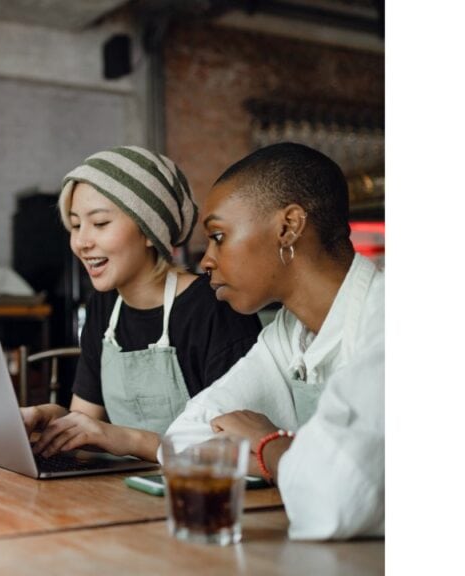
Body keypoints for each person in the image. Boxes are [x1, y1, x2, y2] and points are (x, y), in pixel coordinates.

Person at [163, 142, 384, 539]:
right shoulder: (287, 334)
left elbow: (339, 498)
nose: (205, 261)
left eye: (218, 235)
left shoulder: (387, 317)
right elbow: (182, 440)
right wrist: (304, 462)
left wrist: (269, 447)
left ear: (288, 227)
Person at [22, 145, 262, 462]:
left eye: (100, 223)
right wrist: (50, 417)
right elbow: (85, 421)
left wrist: (128, 439)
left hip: (201, 496)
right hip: (121, 491)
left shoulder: (214, 308)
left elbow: (237, 450)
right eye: (77, 224)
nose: (81, 242)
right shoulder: (104, 306)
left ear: (151, 231)